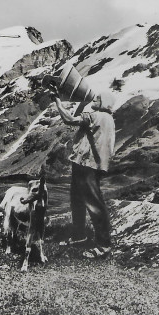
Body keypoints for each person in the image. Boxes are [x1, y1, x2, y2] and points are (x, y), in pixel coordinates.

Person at [49, 85, 116, 259]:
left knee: (94, 204)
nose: (93, 101)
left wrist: (57, 101)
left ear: (103, 103)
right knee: (77, 200)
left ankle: (103, 245)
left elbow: (69, 119)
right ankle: (79, 236)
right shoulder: (108, 118)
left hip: (86, 164)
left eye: (96, 99)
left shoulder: (96, 115)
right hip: (90, 164)